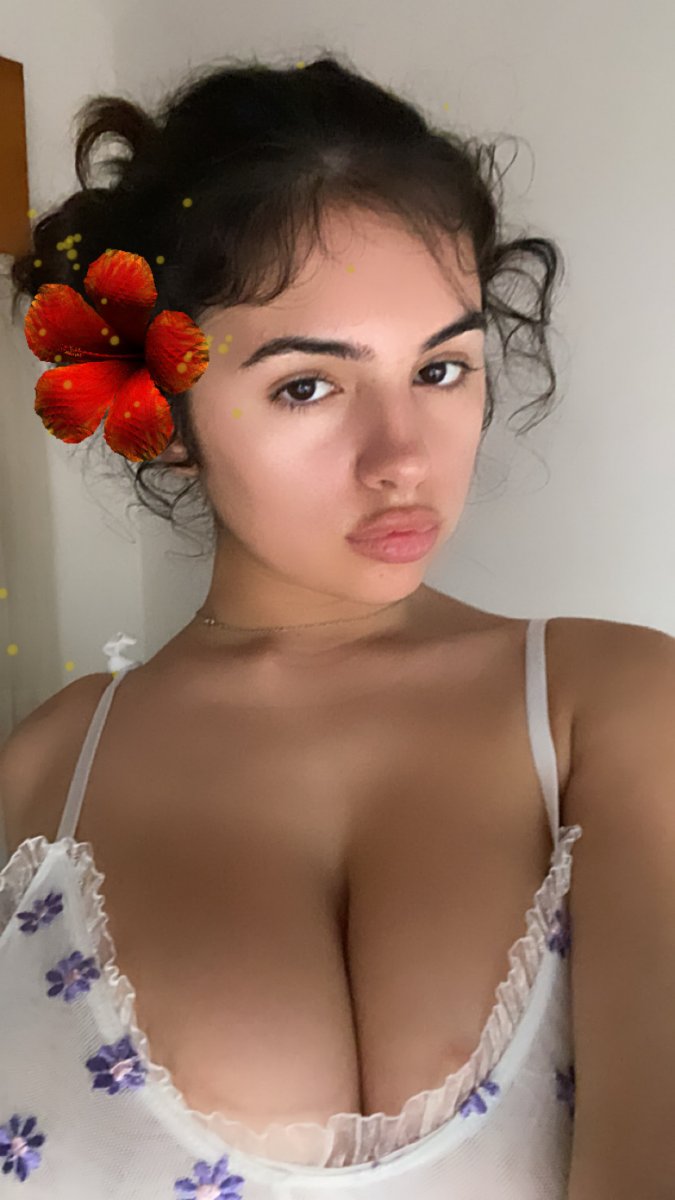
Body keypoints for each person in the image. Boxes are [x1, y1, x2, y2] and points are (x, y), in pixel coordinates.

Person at [0, 51, 585, 1197]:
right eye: (306, 385)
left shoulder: (607, 709)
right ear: (166, 414)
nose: (403, 458)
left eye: (443, 368)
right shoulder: (39, 777)